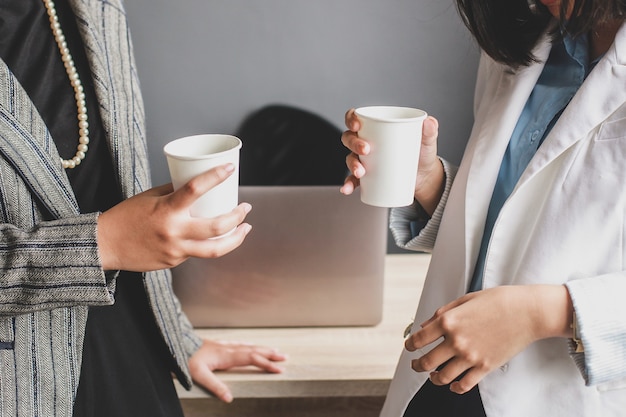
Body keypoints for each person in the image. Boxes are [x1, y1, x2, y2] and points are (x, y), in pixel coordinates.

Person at [0, 1, 286, 416]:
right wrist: (102, 244)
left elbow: (117, 179)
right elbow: (116, 235)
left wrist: (175, 337)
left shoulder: (96, 6)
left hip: (130, 357)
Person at [341, 0, 626, 415]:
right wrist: (430, 184)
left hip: (566, 393)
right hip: (445, 380)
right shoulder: (523, 45)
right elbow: (516, 222)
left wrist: (540, 313)